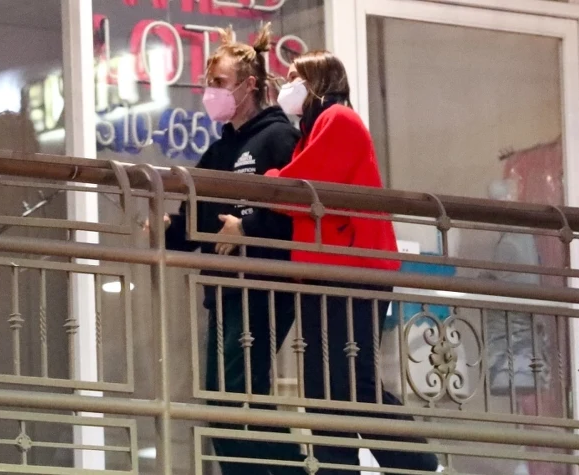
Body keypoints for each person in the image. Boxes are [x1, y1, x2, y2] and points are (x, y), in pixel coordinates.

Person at [220, 50, 439, 473]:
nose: (286, 86)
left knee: (352, 382)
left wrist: (271, 178)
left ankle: (421, 466)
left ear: (318, 81)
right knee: (323, 389)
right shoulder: (313, 130)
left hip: (353, 269)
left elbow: (299, 188)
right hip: (325, 271)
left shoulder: (339, 120)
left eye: (294, 77)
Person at [150, 24, 306, 475]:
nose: (211, 92)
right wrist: (167, 229)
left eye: (219, 82)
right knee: (225, 404)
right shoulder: (221, 150)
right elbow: (197, 217)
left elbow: (296, 211)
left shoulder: (278, 138)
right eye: (208, 83)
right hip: (225, 291)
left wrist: (247, 226)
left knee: (236, 400)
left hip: (262, 287)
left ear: (249, 85)